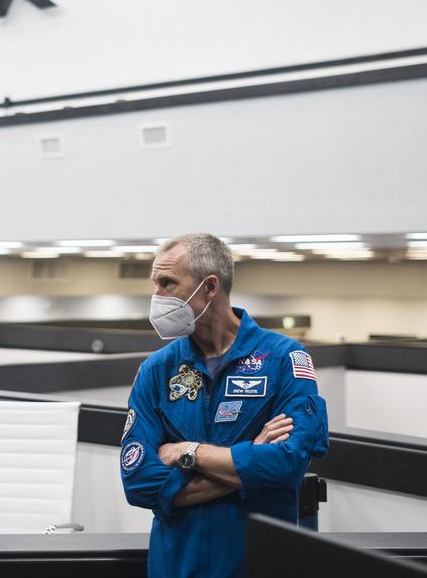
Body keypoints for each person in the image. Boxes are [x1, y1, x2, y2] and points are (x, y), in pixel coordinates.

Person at [121, 232, 329, 578]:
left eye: (167, 283)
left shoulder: (283, 359)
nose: (156, 297)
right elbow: (139, 482)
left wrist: (189, 452)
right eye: (154, 284)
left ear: (210, 287)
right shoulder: (157, 370)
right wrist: (248, 463)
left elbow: (288, 464)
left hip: (257, 565)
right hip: (176, 567)